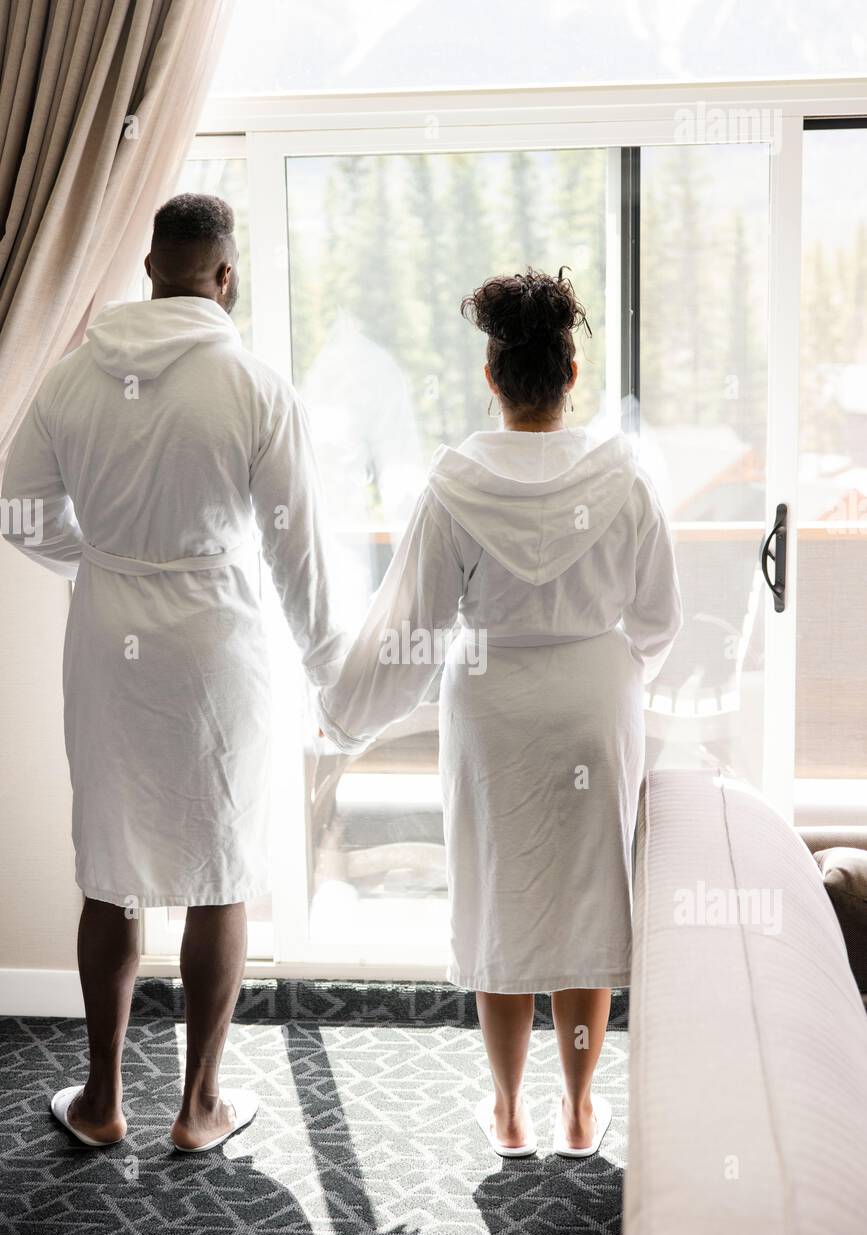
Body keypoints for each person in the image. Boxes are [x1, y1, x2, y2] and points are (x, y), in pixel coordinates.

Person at [1, 194, 345, 1153]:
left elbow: (15, 506)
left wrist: (96, 561)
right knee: (219, 868)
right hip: (214, 643)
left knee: (109, 870)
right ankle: (197, 1108)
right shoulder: (254, 386)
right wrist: (330, 672)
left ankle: (102, 1100)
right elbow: (298, 555)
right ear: (225, 276)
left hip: (107, 634)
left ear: (150, 268)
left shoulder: (74, 375)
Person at [316, 269, 683, 1159]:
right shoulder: (625, 479)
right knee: (588, 901)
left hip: (490, 710)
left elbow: (411, 628)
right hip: (595, 703)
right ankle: (579, 1109)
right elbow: (658, 619)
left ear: (492, 378)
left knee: (500, 898)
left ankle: (510, 1109)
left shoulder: (454, 488)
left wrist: (343, 715)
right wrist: (611, 670)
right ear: (570, 374)